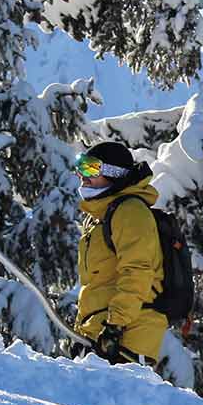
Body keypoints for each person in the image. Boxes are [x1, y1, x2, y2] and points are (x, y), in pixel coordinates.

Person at [72, 141, 166, 365]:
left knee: (117, 400)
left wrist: (115, 326)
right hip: (100, 330)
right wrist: (82, 329)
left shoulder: (130, 212)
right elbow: (97, 283)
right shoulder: (98, 216)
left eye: (91, 168)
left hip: (129, 333)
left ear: (113, 174)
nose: (82, 175)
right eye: (81, 167)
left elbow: (138, 272)